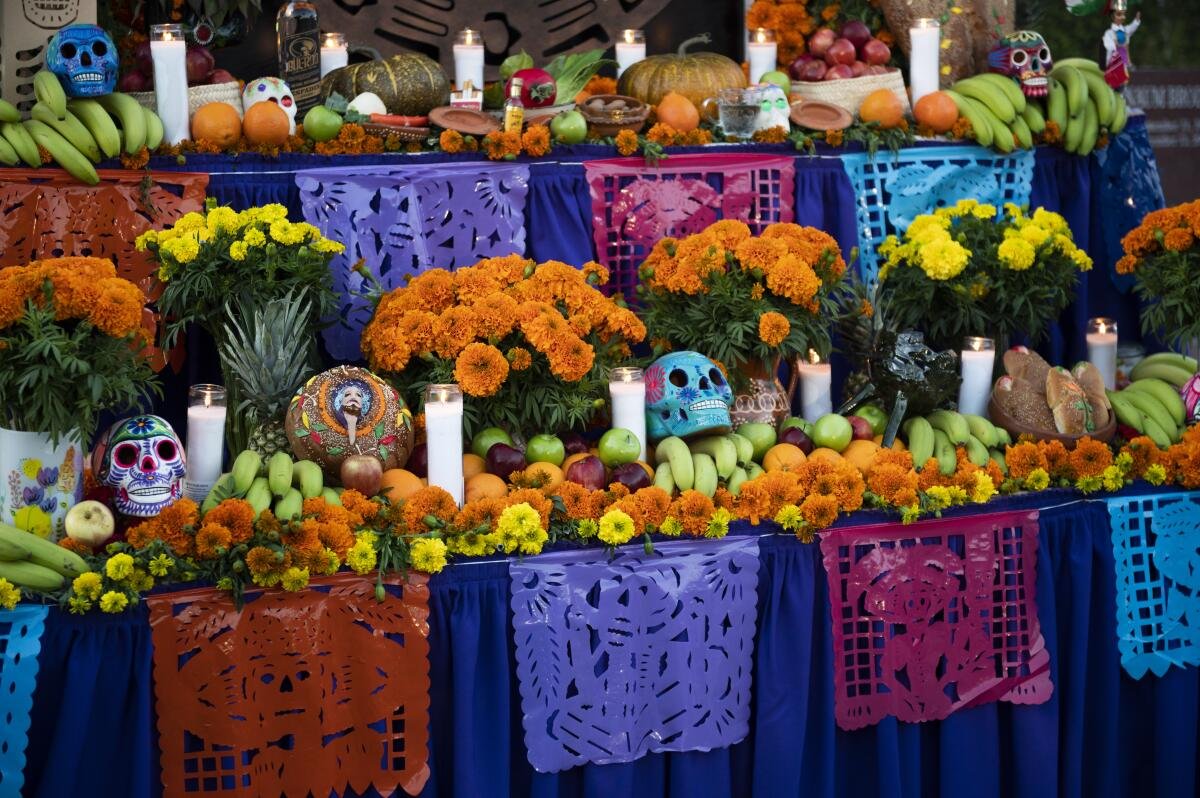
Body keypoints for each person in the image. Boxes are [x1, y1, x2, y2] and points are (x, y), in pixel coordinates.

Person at [1102, 0, 1141, 91]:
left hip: (1123, 60)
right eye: (1119, 14)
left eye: (1123, 14)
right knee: (1114, 83)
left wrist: (1136, 21)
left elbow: (1131, 28)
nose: (1122, 17)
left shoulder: (1124, 31)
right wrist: (1115, 45)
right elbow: (1109, 46)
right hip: (1114, 61)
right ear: (1113, 16)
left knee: (1123, 83)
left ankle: (1120, 91)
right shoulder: (1110, 33)